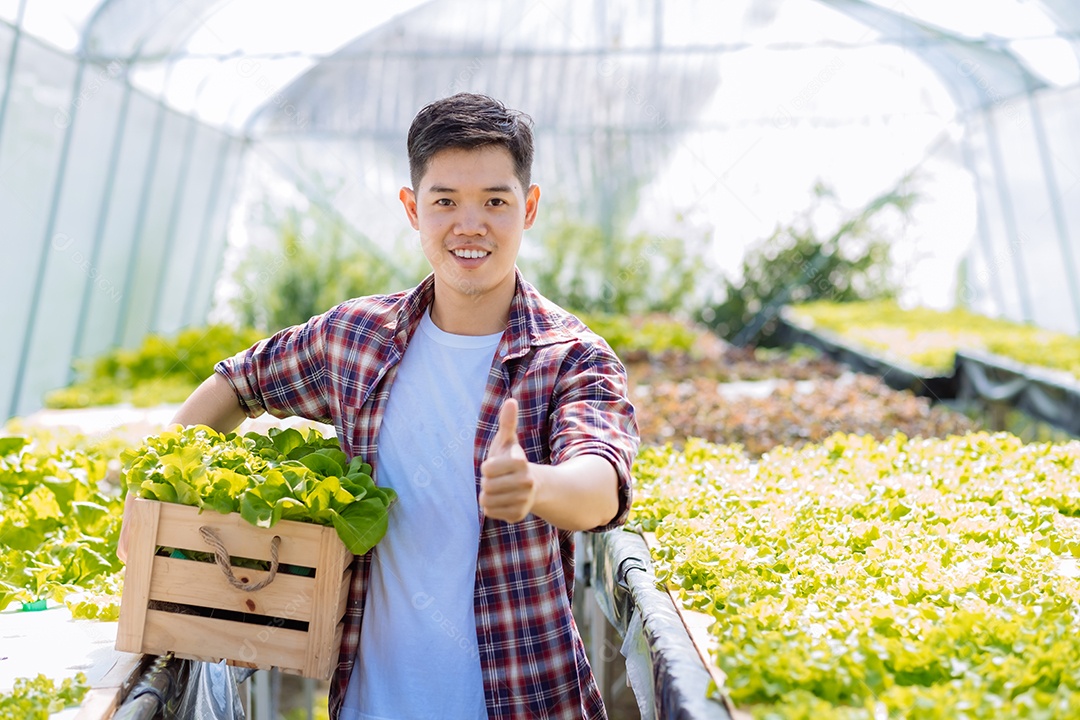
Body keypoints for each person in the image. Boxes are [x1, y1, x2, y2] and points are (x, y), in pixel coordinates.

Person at [121, 92, 638, 719]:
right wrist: (152, 495)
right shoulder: (357, 339)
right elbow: (240, 382)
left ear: (528, 209)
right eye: (445, 201)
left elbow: (602, 483)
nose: (468, 225)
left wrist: (534, 485)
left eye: (495, 202)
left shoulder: (569, 355)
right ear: (411, 208)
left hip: (525, 699)